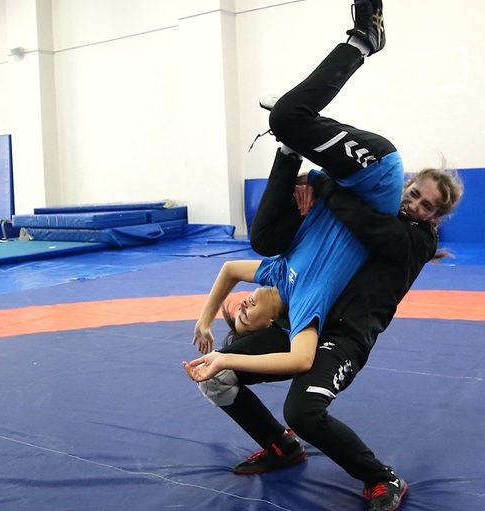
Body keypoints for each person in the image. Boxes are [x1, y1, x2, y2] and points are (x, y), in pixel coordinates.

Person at [184, 2, 463, 510]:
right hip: (313, 311)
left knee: (304, 410)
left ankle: (382, 478)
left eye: (428, 207)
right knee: (220, 371)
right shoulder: (299, 267)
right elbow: (240, 264)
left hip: (346, 332)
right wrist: (309, 178)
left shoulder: (412, 239)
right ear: (408, 187)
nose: (416, 207)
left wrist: (323, 184)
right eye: (416, 195)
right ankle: (280, 446)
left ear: (436, 218)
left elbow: (368, 225)